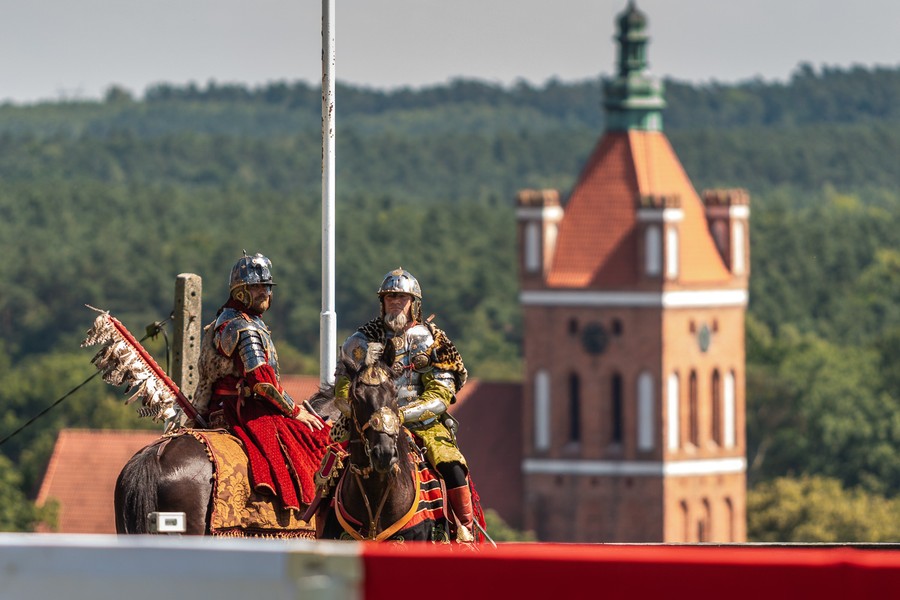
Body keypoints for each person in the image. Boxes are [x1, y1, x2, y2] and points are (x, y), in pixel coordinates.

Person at [329, 267, 474, 541]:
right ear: (382, 302)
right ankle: (317, 525)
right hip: (365, 422)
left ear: (414, 303)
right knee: (326, 462)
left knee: (452, 467)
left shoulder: (434, 341)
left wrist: (399, 416)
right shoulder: (360, 340)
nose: (395, 302)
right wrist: (360, 410)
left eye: (401, 297)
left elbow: (441, 393)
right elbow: (343, 385)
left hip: (421, 424)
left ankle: (466, 533)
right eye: (390, 297)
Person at [193, 252, 330, 512]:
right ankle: (303, 511)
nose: (265, 293)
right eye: (256, 287)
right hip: (244, 409)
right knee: (315, 439)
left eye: (267, 286)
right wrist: (295, 411)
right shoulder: (244, 327)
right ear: (240, 291)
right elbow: (262, 382)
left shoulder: (229, 318)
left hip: (222, 404)